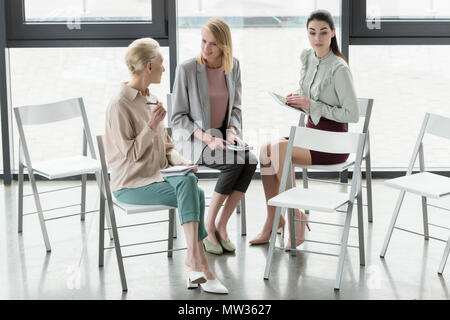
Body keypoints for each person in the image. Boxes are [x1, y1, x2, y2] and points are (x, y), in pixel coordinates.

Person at [104, 38, 227, 294]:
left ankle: (196, 263)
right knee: (194, 190)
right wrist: (150, 126)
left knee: (189, 181)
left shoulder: (152, 98)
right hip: (131, 184)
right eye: (161, 63)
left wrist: (182, 163)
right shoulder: (119, 104)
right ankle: (200, 264)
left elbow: (167, 145)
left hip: (159, 176)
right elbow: (130, 156)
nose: (163, 67)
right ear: (149, 67)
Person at [249, 10, 359, 248]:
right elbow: (305, 92)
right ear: (307, 34)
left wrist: (313, 105)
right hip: (310, 136)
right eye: (312, 32)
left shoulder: (339, 68)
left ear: (332, 33)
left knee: (278, 150)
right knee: (266, 151)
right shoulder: (308, 58)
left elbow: (352, 114)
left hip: (333, 143)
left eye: (323, 32)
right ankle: (274, 220)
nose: (317, 38)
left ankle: (296, 215)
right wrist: (295, 98)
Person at [171, 18, 258, 255]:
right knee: (234, 163)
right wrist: (207, 138)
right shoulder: (187, 69)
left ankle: (221, 224)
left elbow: (236, 109)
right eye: (203, 41)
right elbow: (177, 117)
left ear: (224, 46)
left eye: (213, 44)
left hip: (222, 137)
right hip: (194, 140)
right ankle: (208, 224)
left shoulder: (234, 67)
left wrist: (231, 131)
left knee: (250, 161)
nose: (206, 48)